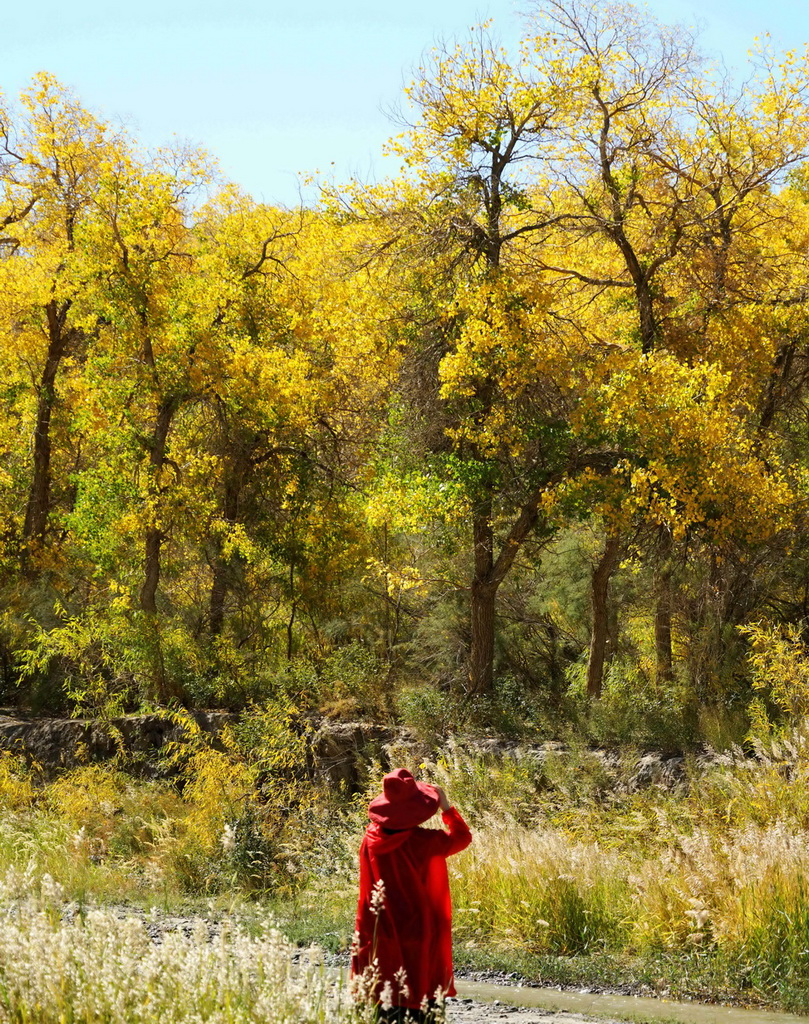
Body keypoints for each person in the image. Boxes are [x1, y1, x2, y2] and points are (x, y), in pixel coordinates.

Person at [351, 767, 472, 1022]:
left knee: (382, 980)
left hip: (378, 922)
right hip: (418, 923)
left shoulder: (370, 837)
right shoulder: (425, 841)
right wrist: (447, 809)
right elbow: (462, 838)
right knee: (421, 979)